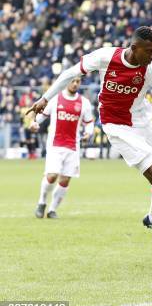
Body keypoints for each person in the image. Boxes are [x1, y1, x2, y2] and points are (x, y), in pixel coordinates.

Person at [27, 26, 152, 247]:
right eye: (148, 51)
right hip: (116, 125)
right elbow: (71, 73)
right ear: (134, 48)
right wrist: (45, 99)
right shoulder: (106, 56)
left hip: (142, 119)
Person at [30, 77, 94, 219]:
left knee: (65, 180)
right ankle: (41, 202)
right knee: (52, 176)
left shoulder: (84, 103)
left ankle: (52, 210)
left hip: (73, 146)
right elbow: (42, 116)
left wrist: (88, 133)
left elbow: (89, 122)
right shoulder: (55, 99)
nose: (75, 84)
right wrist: (35, 123)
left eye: (78, 81)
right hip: (55, 145)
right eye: (73, 81)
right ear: (67, 82)